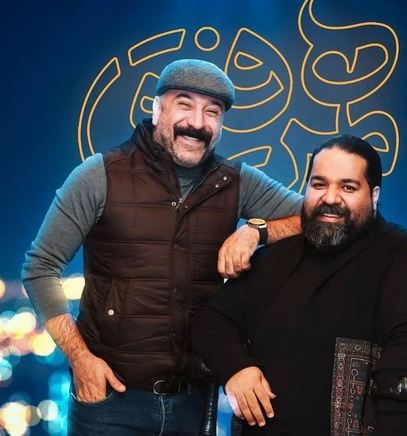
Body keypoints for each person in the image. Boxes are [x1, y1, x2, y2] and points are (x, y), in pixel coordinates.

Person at [21, 59, 303, 435]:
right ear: (156, 109)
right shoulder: (99, 175)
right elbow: (40, 267)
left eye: (212, 112)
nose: (197, 123)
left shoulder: (237, 182)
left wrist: (256, 231)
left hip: (193, 403)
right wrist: (80, 360)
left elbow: (315, 219)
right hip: (108, 404)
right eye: (184, 104)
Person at [192, 135, 407, 435]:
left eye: (348, 187)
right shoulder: (275, 258)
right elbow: (211, 321)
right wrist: (236, 367)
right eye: (319, 184)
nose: (330, 198)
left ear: (374, 195)